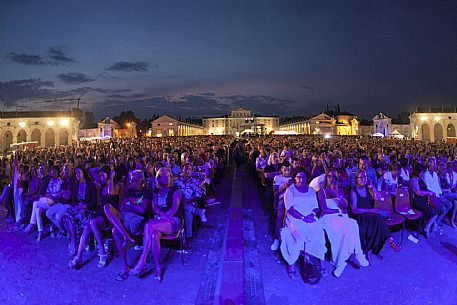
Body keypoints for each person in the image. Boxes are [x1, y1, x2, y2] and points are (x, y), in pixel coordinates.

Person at [130, 167, 182, 283]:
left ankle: (142, 261)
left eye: (168, 176)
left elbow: (174, 209)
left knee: (149, 225)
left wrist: (162, 216)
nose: (167, 178)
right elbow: (154, 207)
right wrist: (162, 215)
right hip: (160, 221)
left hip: (173, 222)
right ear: (158, 178)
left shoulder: (175, 191)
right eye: (163, 176)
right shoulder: (156, 192)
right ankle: (158, 267)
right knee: (154, 235)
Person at [317, 170, 369, 277]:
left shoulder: (339, 189)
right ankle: (342, 262)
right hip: (328, 217)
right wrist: (338, 211)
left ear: (336, 179)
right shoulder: (323, 191)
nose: (331, 179)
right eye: (329, 176)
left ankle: (355, 254)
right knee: (345, 227)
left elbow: (345, 205)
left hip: (340, 216)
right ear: (326, 178)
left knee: (352, 224)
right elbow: (324, 209)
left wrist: (337, 195)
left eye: (333, 177)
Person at [68, 165, 121, 269]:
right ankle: (79, 256)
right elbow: (91, 171)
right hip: (101, 213)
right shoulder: (102, 184)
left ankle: (102, 254)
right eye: (100, 175)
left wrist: (111, 176)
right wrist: (102, 168)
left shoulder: (116, 186)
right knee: (89, 224)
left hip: (112, 215)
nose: (100, 176)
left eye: (103, 175)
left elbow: (110, 192)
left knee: (92, 222)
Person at [280, 168, 326, 281]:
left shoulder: (310, 190)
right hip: (295, 219)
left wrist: (311, 215)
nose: (301, 179)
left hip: (310, 217)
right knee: (298, 236)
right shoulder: (290, 191)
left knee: (319, 234)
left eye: (303, 177)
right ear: (295, 178)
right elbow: (290, 209)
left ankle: (321, 262)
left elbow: (316, 207)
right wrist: (303, 218)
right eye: (298, 177)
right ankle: (291, 265)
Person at [104, 169, 150, 281]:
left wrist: (130, 204)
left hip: (137, 221)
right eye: (131, 180)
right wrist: (131, 205)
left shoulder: (147, 192)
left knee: (115, 231)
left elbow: (142, 209)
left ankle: (126, 239)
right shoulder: (129, 190)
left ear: (142, 182)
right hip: (126, 216)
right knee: (107, 207)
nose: (132, 183)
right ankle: (126, 238)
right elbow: (123, 206)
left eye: (135, 181)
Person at [349, 169, 401, 262]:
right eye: (361, 177)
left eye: (365, 177)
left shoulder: (368, 189)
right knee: (378, 218)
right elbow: (354, 210)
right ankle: (390, 239)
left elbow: (378, 198)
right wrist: (369, 210)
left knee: (378, 221)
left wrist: (373, 187)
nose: (363, 179)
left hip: (371, 214)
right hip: (361, 215)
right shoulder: (353, 191)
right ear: (356, 179)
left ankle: (369, 252)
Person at [63, 165, 98, 256]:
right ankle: (74, 243)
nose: (77, 175)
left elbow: (94, 202)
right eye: (76, 173)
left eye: (79, 172)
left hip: (88, 209)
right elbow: (74, 200)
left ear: (83, 173)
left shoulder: (90, 184)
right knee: (67, 216)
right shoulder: (76, 184)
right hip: (79, 208)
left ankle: (76, 243)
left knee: (75, 216)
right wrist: (76, 206)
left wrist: (85, 206)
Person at [24, 165, 62, 242]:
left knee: (35, 203)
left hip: (54, 203)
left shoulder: (60, 181)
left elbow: (60, 194)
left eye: (55, 171)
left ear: (58, 172)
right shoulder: (51, 180)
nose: (53, 172)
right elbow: (47, 192)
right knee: (37, 210)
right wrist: (49, 195)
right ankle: (40, 231)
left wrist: (52, 196)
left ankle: (32, 224)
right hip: (48, 201)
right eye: (52, 171)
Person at [175, 163, 206, 246]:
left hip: (191, 203)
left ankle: (188, 237)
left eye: (189, 169)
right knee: (186, 207)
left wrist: (190, 200)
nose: (187, 171)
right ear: (182, 170)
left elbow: (198, 194)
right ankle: (197, 211)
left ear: (191, 171)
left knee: (188, 212)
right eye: (185, 169)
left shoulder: (194, 182)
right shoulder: (177, 181)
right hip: (178, 204)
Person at [410, 163, 438, 237]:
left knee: (436, 210)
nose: (423, 173)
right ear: (418, 172)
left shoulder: (420, 178)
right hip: (417, 200)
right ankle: (426, 227)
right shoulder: (414, 179)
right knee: (433, 212)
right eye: (422, 172)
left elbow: (425, 189)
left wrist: (431, 192)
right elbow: (418, 192)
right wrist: (428, 193)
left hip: (424, 199)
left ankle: (426, 227)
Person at [271, 162, 292, 251]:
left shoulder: (294, 178)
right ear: (281, 170)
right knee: (280, 216)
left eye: (289, 170)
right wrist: (283, 187)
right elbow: (275, 194)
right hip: (282, 198)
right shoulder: (278, 178)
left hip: (292, 198)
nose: (287, 172)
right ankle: (277, 239)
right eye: (285, 170)